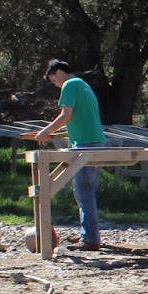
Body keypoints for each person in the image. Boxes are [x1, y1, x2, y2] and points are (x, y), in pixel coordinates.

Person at [35, 60, 107, 251]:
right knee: (87, 190)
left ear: (59, 73)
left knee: (83, 192)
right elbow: (79, 119)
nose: (55, 85)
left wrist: (46, 131)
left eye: (53, 80)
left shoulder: (69, 85)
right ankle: (90, 235)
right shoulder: (84, 86)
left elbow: (65, 115)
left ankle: (90, 238)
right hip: (97, 141)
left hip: (85, 144)